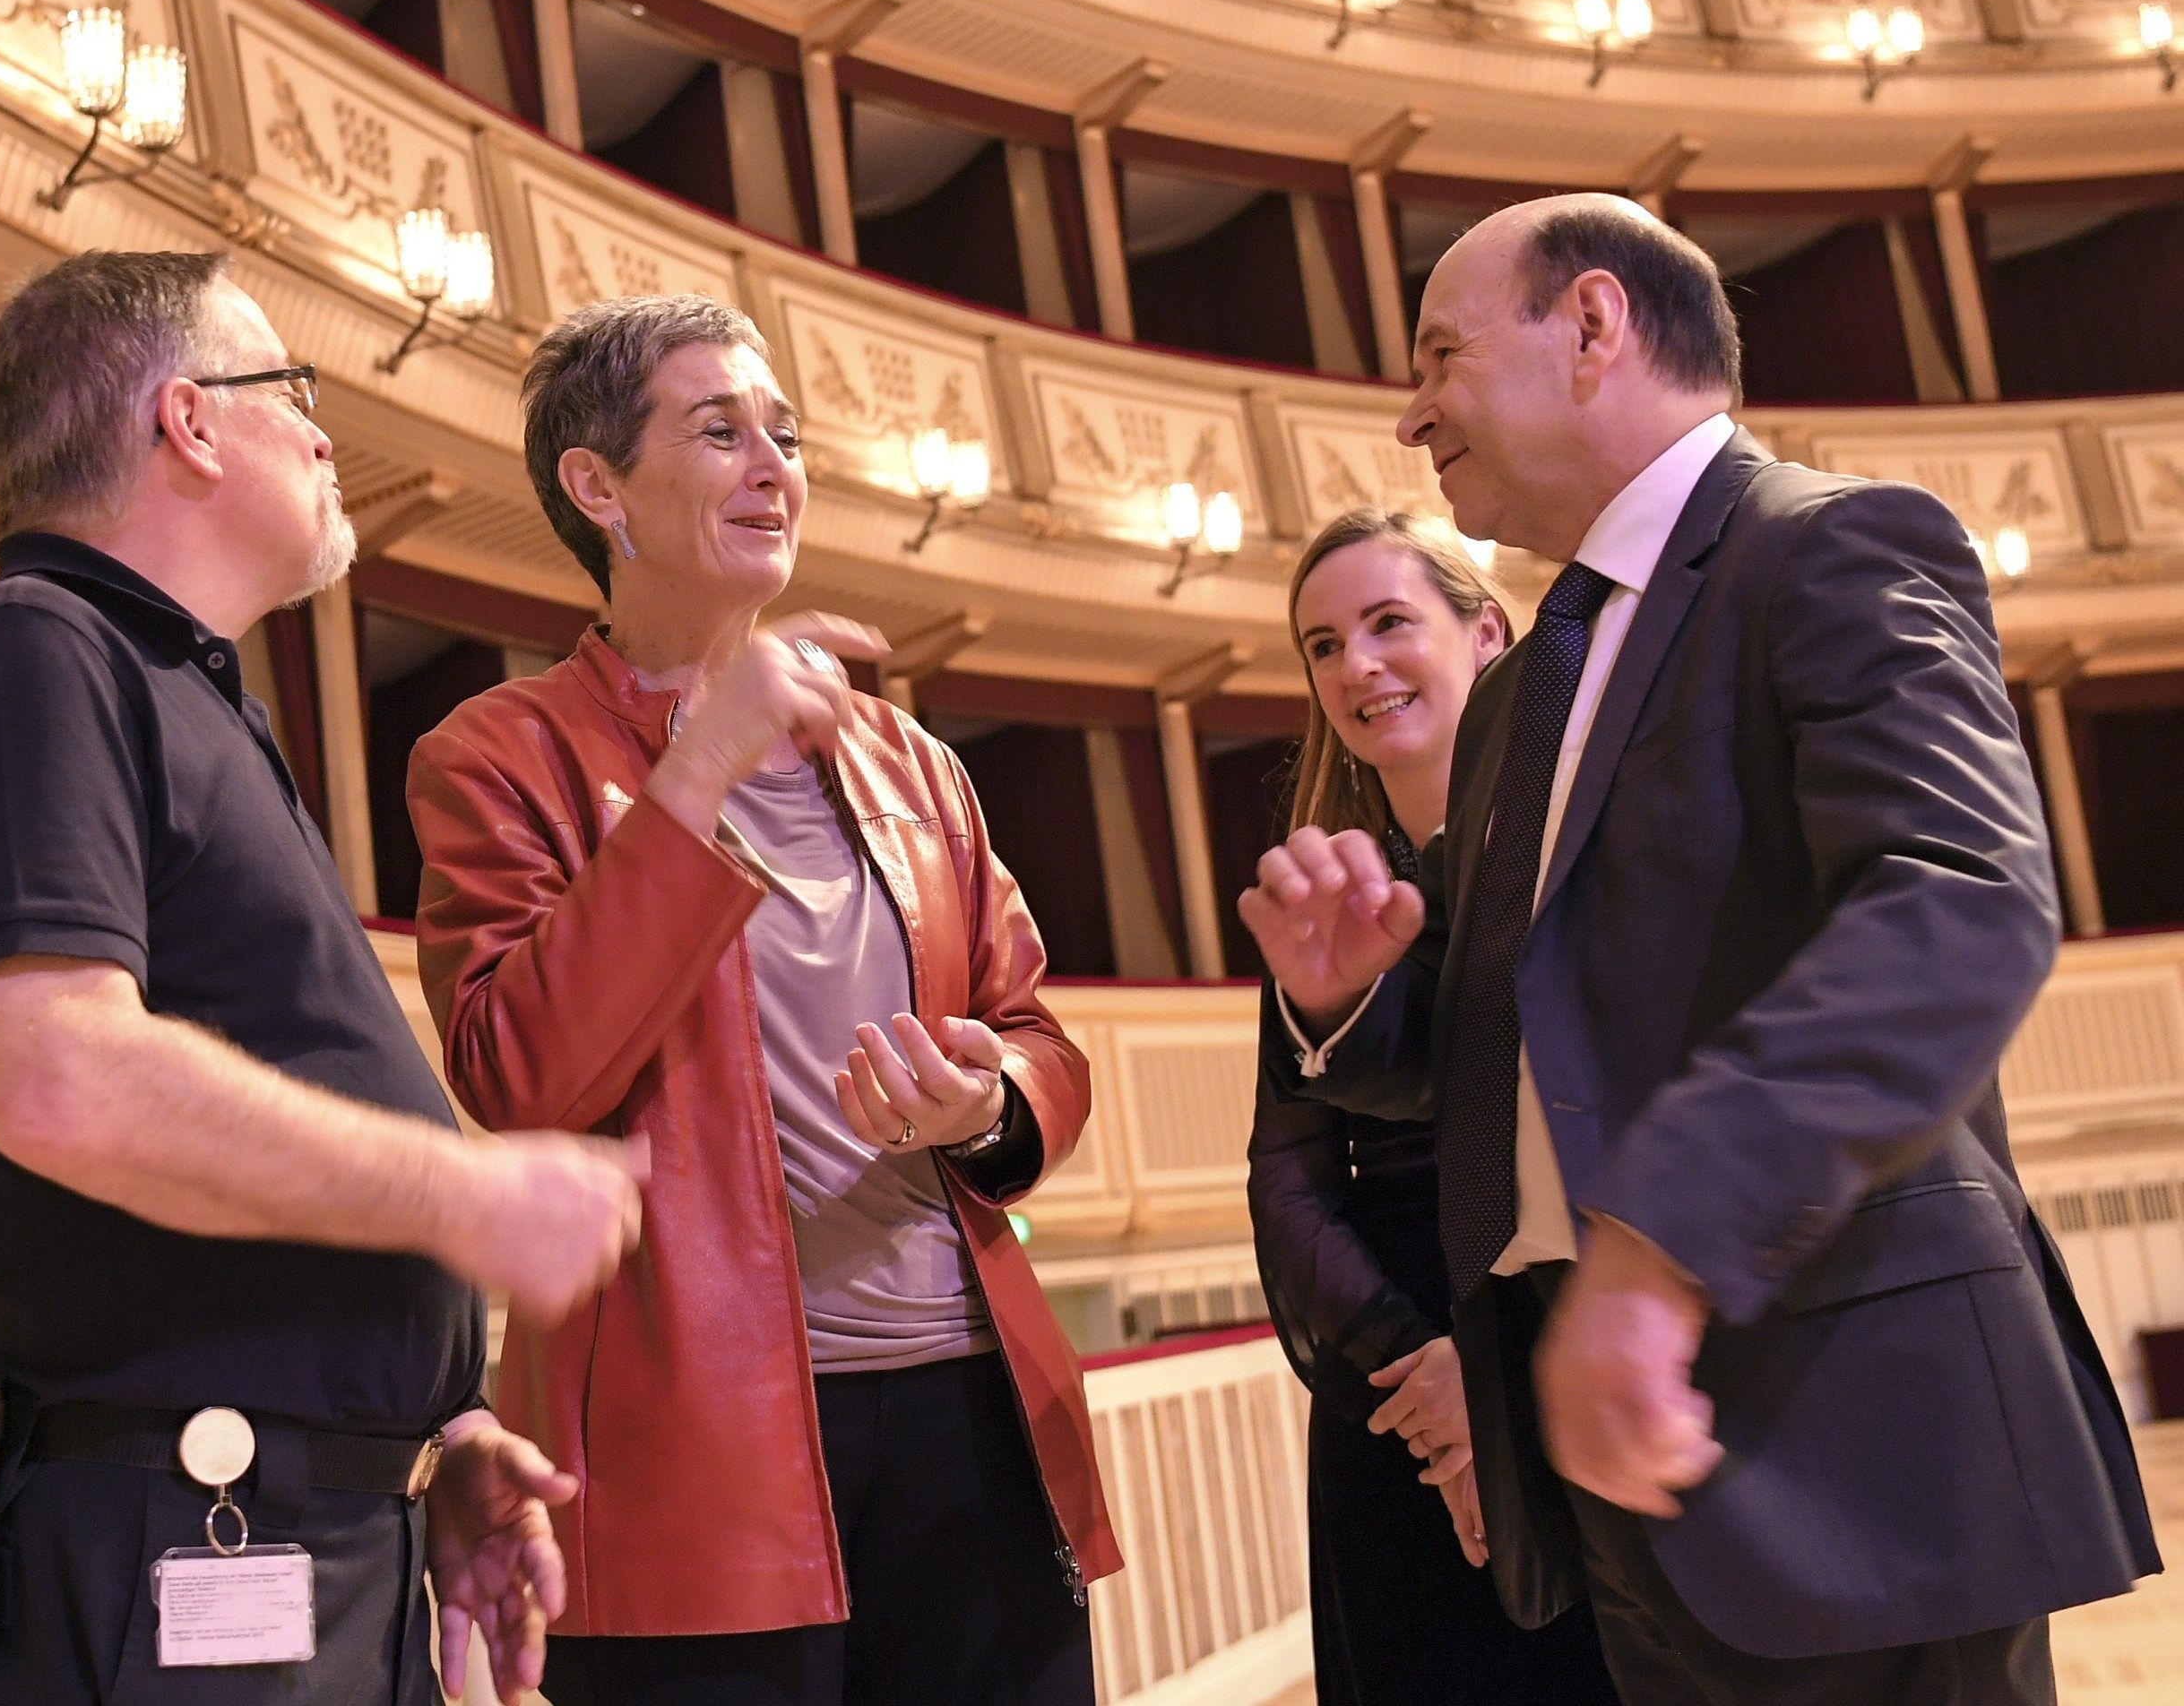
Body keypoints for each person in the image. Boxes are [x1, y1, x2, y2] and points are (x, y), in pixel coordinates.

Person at [1245, 194, 2154, 1703]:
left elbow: (1956, 906)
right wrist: (1353, 1016)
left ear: (1593, 327)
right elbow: (1521, 1065)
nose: (1409, 416)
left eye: (1442, 355)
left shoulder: (1830, 546)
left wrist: (1657, 1254)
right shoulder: (1530, 684)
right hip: (1620, 1467)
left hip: (1842, 1423)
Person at [0, 247, 651, 1706]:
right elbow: (59, 1077)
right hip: (174, 1531)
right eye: (293, 389)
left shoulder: (184, 691)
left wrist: (431, 1436)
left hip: (278, 1518)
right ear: (190, 422)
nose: (327, 431)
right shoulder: (33, 651)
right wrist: (469, 1199)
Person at [404, 293, 1120, 1706]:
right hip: (689, 1455)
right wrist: (699, 770)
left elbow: (1039, 1038)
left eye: (785, 436)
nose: (774, 467)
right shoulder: (500, 755)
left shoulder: (914, 762)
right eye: (721, 431)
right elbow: (520, 1075)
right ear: (595, 484)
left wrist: (987, 1103)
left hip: (969, 1420)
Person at [1248, 508, 1621, 1706]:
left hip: (1574, 1349)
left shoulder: (1590, 856)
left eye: (1387, 623)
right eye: (1321, 645)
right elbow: (1289, 1178)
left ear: (1488, 632)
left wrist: (1498, 1377)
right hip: (1391, 1395)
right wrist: (1422, 1375)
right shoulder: (1328, 893)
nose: (1353, 666)